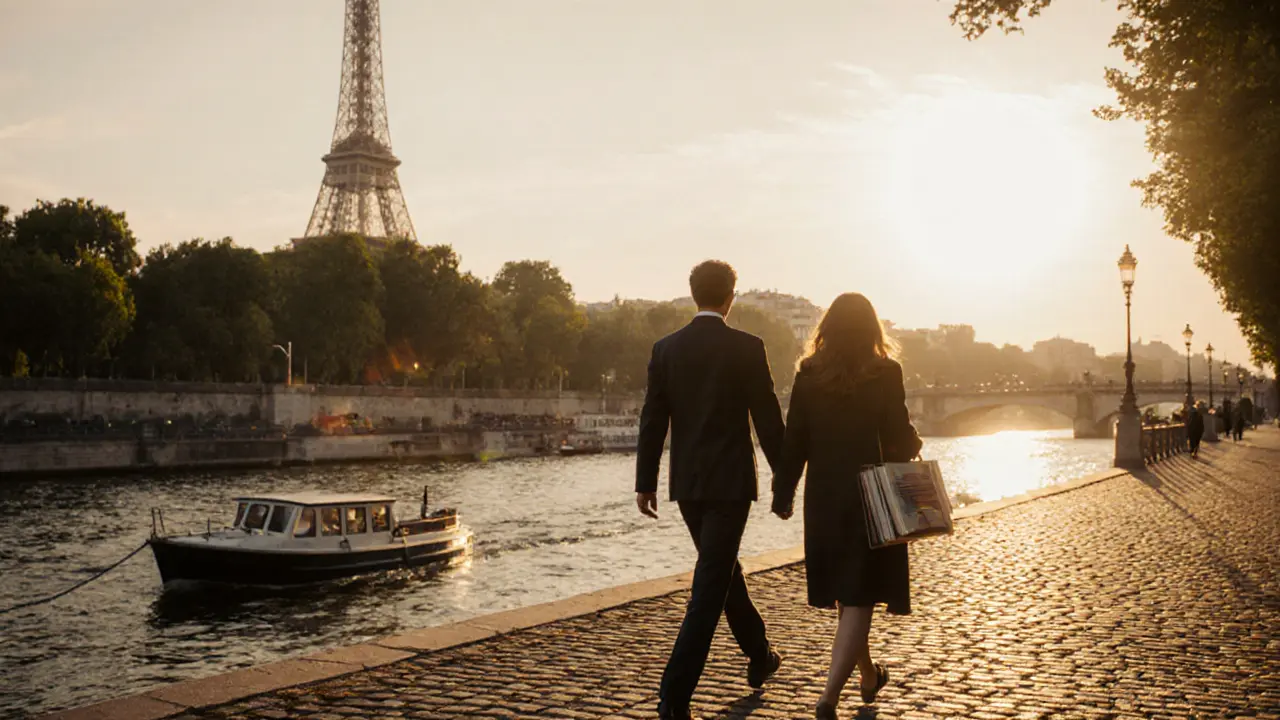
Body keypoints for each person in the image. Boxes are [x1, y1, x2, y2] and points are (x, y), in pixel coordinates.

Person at [635, 260, 787, 720]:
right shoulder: (747, 347)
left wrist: (645, 482)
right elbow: (766, 419)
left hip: (688, 486)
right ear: (730, 298)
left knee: (721, 573)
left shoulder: (666, 349)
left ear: (693, 294)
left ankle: (760, 655)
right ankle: (673, 697)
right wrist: (786, 476)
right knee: (709, 587)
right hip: (731, 484)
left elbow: (653, 419)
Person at [771, 293, 923, 720]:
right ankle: (828, 698)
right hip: (871, 495)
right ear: (873, 330)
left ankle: (869, 676)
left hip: (823, 496)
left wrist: (783, 495)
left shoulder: (808, 374)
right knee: (859, 598)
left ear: (827, 330)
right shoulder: (885, 372)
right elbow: (897, 434)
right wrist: (913, 443)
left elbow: (794, 442)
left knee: (849, 594)